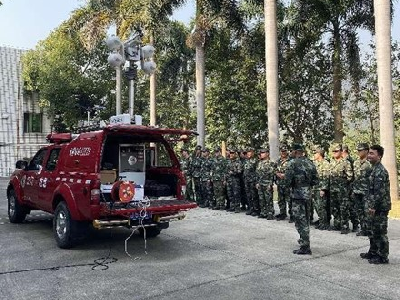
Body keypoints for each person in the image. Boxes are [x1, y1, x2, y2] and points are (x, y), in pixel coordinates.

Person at [284, 143, 318, 255]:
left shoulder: (292, 163)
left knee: (300, 221)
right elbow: (315, 181)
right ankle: (304, 242)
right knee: (306, 220)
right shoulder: (310, 163)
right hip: (307, 194)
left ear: (294, 151)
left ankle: (305, 246)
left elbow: (287, 182)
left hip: (297, 196)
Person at [360, 145, 391, 264]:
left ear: (379, 156)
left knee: (380, 231)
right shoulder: (373, 169)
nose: (369, 156)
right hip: (373, 205)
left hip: (380, 207)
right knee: (372, 230)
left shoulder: (380, 171)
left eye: (372, 154)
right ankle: (373, 251)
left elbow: (379, 192)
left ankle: (383, 256)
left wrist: (373, 206)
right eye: (369, 153)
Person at [322, 143, 353, 234]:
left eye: (336, 151)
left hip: (342, 190)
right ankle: (337, 224)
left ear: (341, 151)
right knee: (334, 208)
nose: (335, 153)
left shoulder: (345, 162)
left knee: (343, 208)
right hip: (332, 189)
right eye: (333, 151)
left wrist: (344, 185)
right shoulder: (331, 163)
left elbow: (350, 176)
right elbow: (327, 176)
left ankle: (344, 226)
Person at [352, 143, 372, 236]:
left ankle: (369, 229)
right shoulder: (356, 162)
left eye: (360, 150)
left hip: (366, 191)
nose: (358, 152)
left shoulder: (370, 163)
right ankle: (363, 229)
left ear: (366, 151)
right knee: (359, 211)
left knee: (367, 211)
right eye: (358, 150)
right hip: (357, 191)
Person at [255, 147, 276, 219]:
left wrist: (270, 184)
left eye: (263, 153)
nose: (261, 154)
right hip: (260, 184)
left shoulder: (271, 163)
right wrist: (257, 182)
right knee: (261, 199)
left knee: (268, 199)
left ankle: (270, 213)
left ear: (267, 154)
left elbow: (272, 175)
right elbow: (257, 174)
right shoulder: (259, 163)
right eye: (261, 153)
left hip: (267, 184)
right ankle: (263, 212)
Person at [312, 146, 330, 230]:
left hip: (320, 188)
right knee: (316, 205)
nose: (314, 155)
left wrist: (323, 189)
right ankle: (321, 220)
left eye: (315, 153)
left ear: (320, 154)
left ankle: (324, 223)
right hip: (315, 188)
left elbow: (326, 177)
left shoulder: (325, 163)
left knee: (321, 206)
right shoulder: (315, 163)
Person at [275, 145, 291, 221]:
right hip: (280, 183)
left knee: (290, 200)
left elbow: (293, 171)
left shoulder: (291, 161)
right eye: (282, 151)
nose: (283, 152)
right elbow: (275, 169)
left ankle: (292, 215)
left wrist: (285, 175)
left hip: (288, 184)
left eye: (284, 151)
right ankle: (282, 213)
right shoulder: (278, 161)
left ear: (287, 152)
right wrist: (277, 174)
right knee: (281, 200)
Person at [243, 147, 259, 216]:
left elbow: (257, 172)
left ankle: (256, 210)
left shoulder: (255, 161)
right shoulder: (246, 161)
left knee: (254, 196)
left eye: (250, 152)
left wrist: (257, 181)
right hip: (247, 181)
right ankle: (251, 208)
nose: (248, 153)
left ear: (253, 153)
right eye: (248, 152)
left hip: (253, 181)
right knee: (248, 195)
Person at [226, 148, 243, 213]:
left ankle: (237, 207)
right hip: (229, 181)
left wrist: (233, 172)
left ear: (235, 154)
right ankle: (232, 206)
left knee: (236, 194)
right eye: (230, 153)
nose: (231, 154)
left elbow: (240, 171)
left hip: (235, 181)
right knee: (230, 194)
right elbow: (226, 171)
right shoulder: (228, 161)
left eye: (232, 153)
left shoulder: (238, 162)